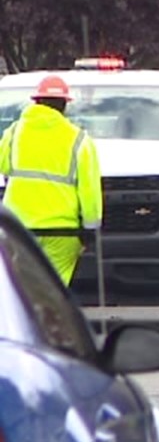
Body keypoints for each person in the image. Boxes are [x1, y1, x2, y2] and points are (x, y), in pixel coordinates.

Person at [0, 75, 102, 285]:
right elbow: (90, 191)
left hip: (20, 230)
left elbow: (3, 165)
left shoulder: (14, 133)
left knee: (23, 289)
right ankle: (50, 317)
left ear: (36, 102)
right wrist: (90, 229)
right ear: (64, 105)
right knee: (54, 289)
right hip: (63, 232)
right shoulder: (79, 139)